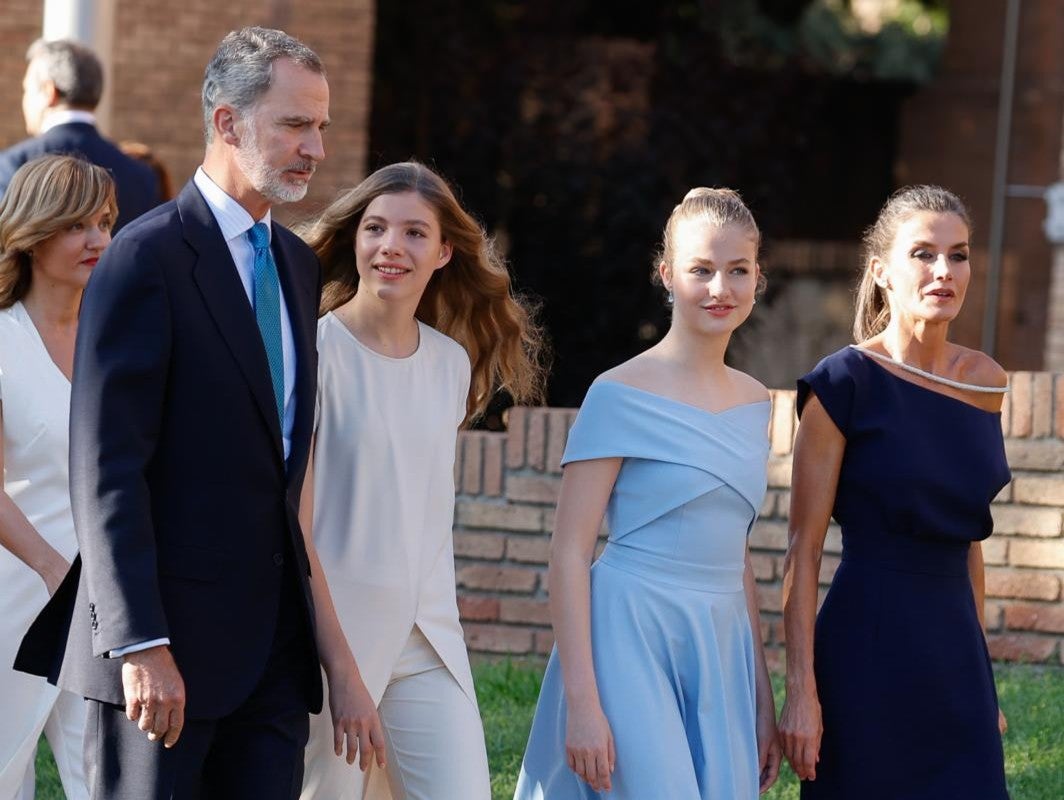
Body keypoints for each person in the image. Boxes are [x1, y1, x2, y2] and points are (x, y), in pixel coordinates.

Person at [15, 27, 330, 800]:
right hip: (165, 659)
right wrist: (140, 642)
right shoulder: (142, 258)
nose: (315, 148)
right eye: (295, 124)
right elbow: (108, 469)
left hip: (274, 660)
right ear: (227, 122)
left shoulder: (298, 265)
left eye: (321, 126)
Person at [515, 188, 781, 799]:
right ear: (666, 274)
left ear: (757, 278)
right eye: (701, 269)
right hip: (629, 631)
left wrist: (761, 698)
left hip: (719, 640)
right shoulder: (617, 392)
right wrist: (583, 704)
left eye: (738, 270)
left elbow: (737, 556)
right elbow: (568, 553)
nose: (720, 288)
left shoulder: (755, 402)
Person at [296, 161, 545, 800]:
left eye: (414, 233)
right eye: (375, 228)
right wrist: (341, 669)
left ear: (443, 252)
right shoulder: (314, 354)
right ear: (355, 240)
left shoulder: (449, 363)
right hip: (334, 638)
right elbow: (297, 527)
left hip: (429, 635)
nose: (391, 246)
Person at [778, 185, 1010, 799]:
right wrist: (801, 692)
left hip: (956, 655)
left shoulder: (986, 383)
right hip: (865, 649)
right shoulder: (842, 383)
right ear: (881, 271)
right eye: (923, 253)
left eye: (958, 255)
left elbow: (968, 537)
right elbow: (802, 551)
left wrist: (982, 678)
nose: (944, 271)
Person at [0, 154, 114, 799]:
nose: (98, 239)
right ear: (33, 233)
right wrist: (54, 572)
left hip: (106, 603)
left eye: (105, 222)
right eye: (77, 225)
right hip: (15, 594)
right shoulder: (2, 340)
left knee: (107, 781)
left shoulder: (119, 339)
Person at [0, 39, 161, 231]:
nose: (24, 101)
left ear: (49, 92)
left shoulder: (13, 164)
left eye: (27, 90)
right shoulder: (141, 175)